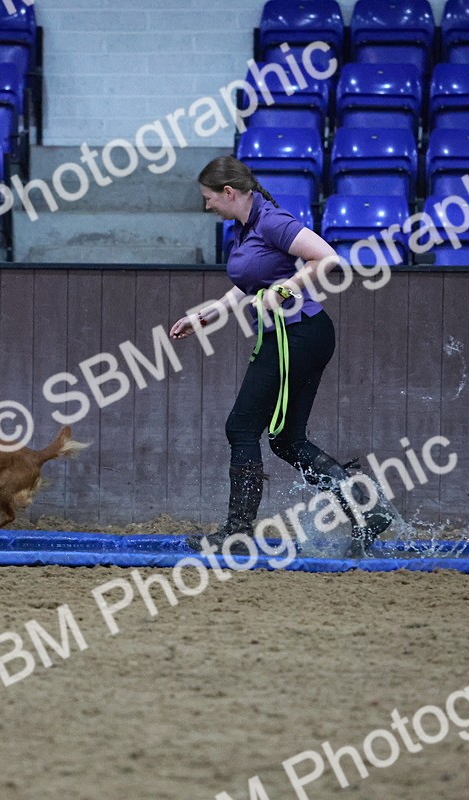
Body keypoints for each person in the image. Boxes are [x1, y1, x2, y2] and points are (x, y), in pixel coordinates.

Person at [169, 155, 391, 557]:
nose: (207, 206)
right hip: (293, 335)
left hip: (298, 334)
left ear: (229, 192)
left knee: (241, 427)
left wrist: (286, 290)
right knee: (286, 440)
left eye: (209, 198)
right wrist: (210, 313)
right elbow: (251, 284)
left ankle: (236, 534)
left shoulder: (271, 221)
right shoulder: (246, 226)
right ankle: (367, 512)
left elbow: (326, 258)